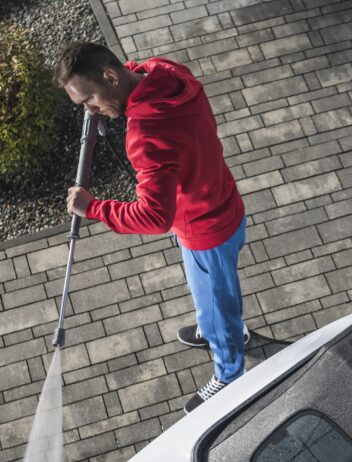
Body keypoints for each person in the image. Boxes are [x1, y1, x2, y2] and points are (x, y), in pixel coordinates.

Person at [55, 42, 248, 414]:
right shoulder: (164, 71)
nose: (91, 111)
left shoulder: (146, 135)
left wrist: (93, 207)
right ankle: (212, 331)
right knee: (208, 294)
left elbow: (154, 217)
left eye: (89, 100)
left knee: (219, 301)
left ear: (111, 76)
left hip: (206, 231)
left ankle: (229, 371)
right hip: (223, 201)